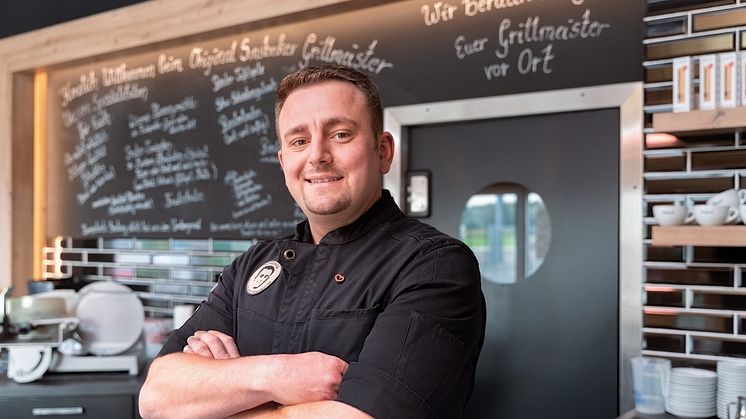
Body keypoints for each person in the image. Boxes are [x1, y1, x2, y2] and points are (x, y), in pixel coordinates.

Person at [139, 65, 485, 419]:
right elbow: (156, 398)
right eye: (299, 141)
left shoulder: (434, 264)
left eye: (340, 134)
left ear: (382, 151)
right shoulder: (252, 266)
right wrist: (276, 377)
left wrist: (224, 400)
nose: (317, 155)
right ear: (284, 160)